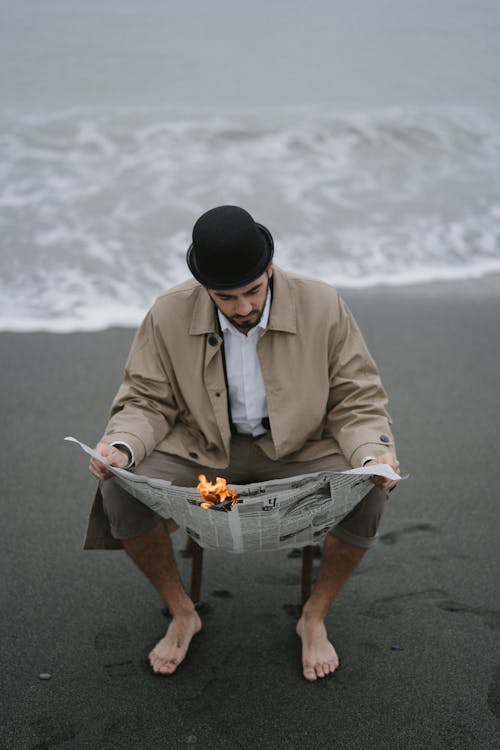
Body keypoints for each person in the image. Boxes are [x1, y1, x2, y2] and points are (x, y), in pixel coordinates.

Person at [86, 204, 400, 682]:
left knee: (370, 488)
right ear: (204, 288)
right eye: (225, 297)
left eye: (252, 291)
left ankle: (313, 616)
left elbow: (356, 396)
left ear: (269, 269)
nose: (243, 307)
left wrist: (371, 453)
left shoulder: (323, 303)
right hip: (205, 454)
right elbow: (146, 399)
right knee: (116, 488)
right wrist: (121, 447)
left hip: (298, 453)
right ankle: (182, 612)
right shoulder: (168, 312)